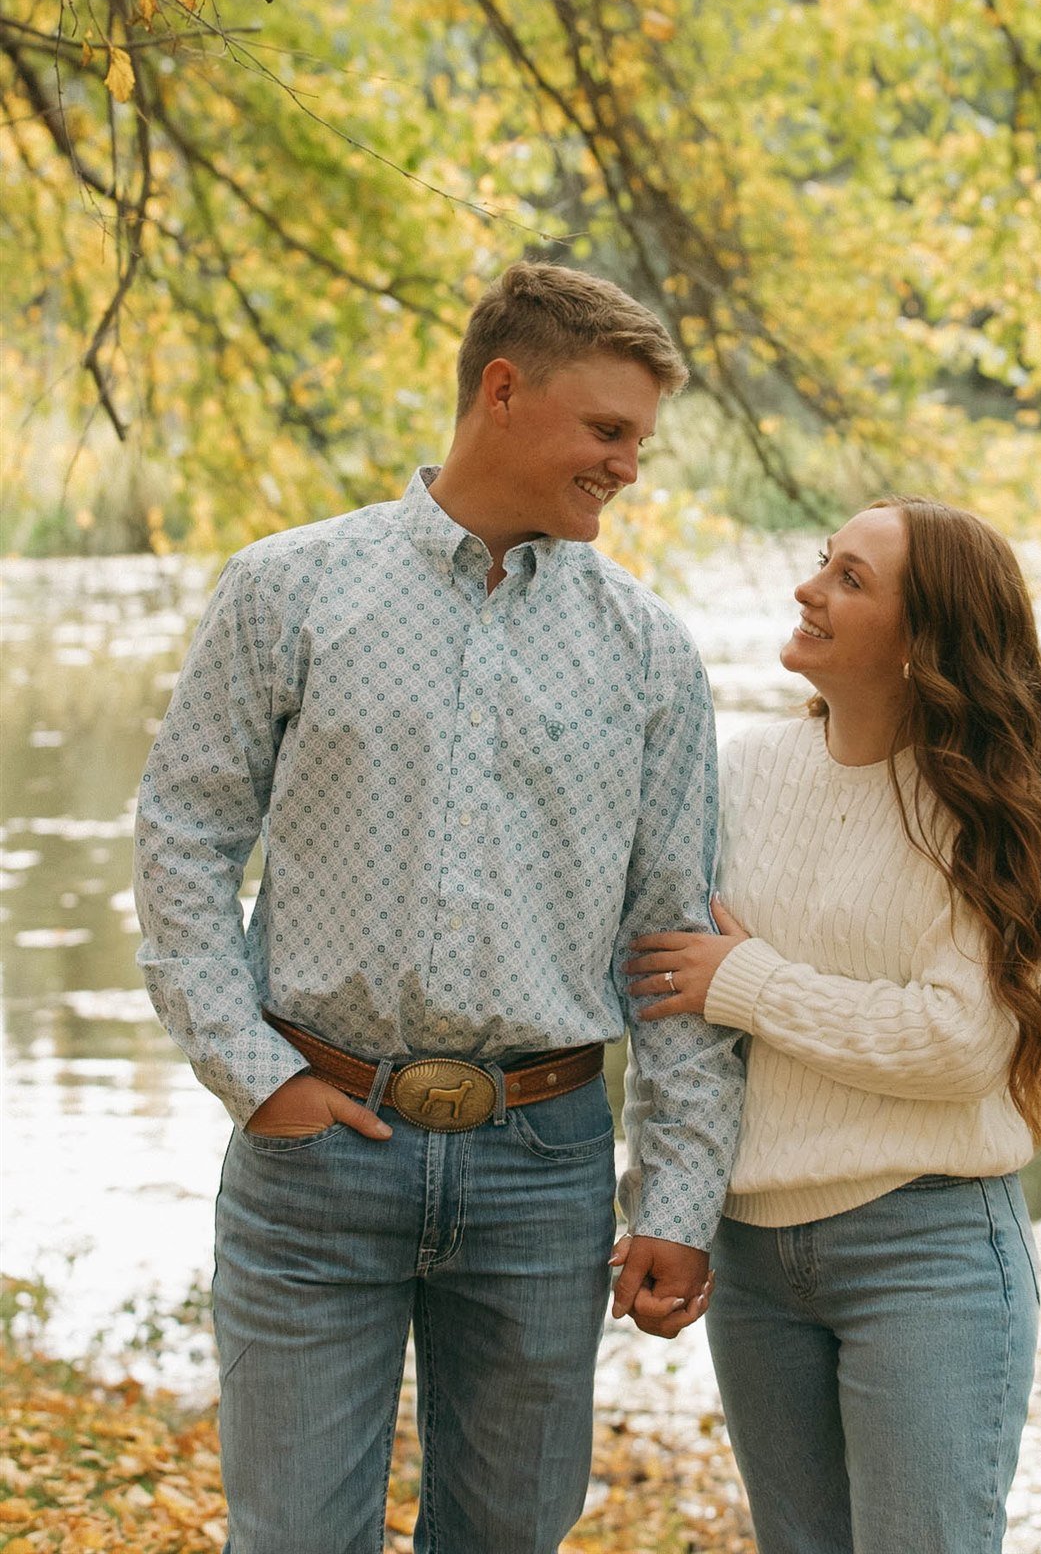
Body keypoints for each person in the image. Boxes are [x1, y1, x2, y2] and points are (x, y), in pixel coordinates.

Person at [133, 261, 743, 1554]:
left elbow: (674, 942)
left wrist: (674, 1199)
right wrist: (256, 1077)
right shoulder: (287, 592)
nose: (628, 465)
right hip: (315, 1145)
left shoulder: (648, 653)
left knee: (508, 1541)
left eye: (638, 438)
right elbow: (184, 840)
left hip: (543, 1163)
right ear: (502, 393)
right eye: (608, 430)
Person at [628, 497, 1041, 1554]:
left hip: (925, 1249)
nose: (810, 587)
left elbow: (957, 1043)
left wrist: (748, 978)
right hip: (754, 1254)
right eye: (822, 562)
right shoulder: (738, 773)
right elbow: (678, 1003)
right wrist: (667, 1201)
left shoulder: (986, 807)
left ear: (924, 642)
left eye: (852, 578)